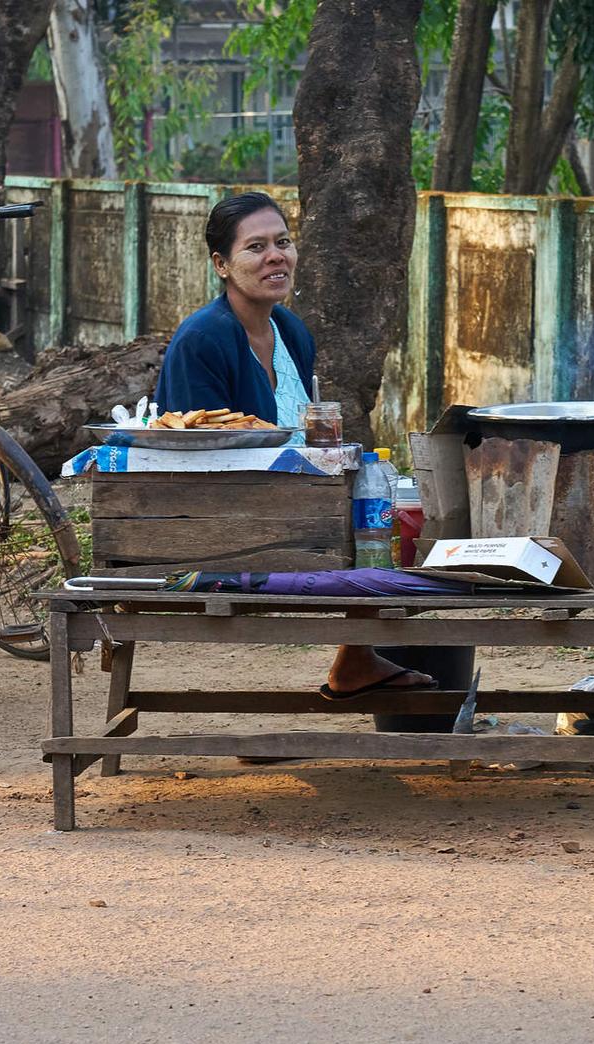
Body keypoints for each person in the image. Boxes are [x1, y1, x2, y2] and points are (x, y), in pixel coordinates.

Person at [155, 191, 435, 699]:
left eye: (283, 242)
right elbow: (188, 456)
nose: (276, 256)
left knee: (402, 525)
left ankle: (358, 657)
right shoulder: (204, 339)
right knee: (377, 544)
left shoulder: (290, 330)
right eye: (255, 247)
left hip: (294, 511)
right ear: (221, 264)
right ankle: (359, 658)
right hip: (222, 525)